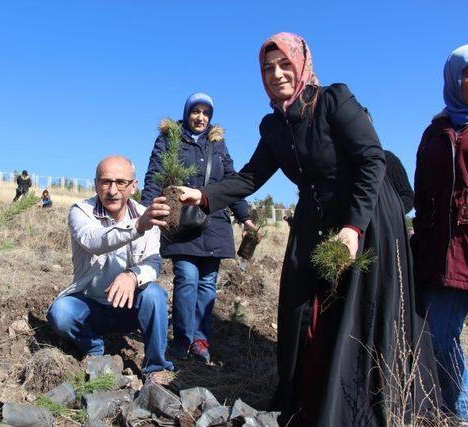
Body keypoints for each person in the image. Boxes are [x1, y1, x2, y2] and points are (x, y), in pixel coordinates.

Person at [177, 33, 437, 425]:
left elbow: (372, 161)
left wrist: (352, 228)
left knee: (356, 308)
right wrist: (203, 195)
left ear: (301, 64)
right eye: (268, 68)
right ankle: (310, 399)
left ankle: (361, 405)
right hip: (313, 219)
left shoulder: (333, 100)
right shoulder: (274, 125)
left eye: (285, 64)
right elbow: (250, 178)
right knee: (301, 305)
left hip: (362, 214)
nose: (277, 74)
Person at [141, 93, 254, 363]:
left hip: (213, 223)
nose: (200, 117)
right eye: (196, 111)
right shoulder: (170, 139)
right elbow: (155, 174)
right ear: (187, 112)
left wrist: (245, 217)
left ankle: (200, 340)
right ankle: (182, 339)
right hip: (181, 223)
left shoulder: (218, 144)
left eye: (206, 113)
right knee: (187, 279)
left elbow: (231, 182)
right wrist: (146, 211)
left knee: (207, 285)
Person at [46, 155, 174, 379]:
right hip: (91, 307)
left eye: (121, 182)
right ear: (96, 184)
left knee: (154, 295)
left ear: (133, 187)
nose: (113, 190)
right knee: (61, 312)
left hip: (130, 308)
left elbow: (154, 262)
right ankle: (95, 349)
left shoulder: (148, 217)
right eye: (106, 182)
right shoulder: (81, 211)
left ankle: (155, 367)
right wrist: (137, 226)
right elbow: (94, 241)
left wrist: (133, 276)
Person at [412, 44, 468, 420]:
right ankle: (455, 409)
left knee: (441, 335)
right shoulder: (435, 131)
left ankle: (456, 408)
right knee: (438, 334)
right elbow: (421, 191)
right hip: (439, 249)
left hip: (464, 243)